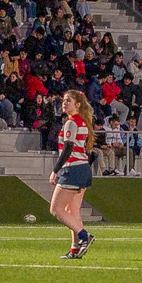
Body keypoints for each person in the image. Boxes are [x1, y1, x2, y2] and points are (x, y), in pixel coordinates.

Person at [49, 90, 95, 259]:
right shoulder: (82, 122)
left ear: (77, 105)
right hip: (82, 169)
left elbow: (68, 148)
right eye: (64, 100)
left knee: (56, 209)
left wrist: (55, 171)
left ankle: (84, 236)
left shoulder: (71, 123)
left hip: (73, 169)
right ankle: (75, 248)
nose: (64, 103)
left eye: (68, 101)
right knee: (72, 211)